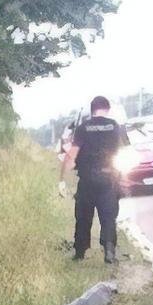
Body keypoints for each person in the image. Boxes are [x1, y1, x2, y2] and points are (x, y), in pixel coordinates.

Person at [58, 96, 128, 264]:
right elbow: (125, 154)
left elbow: (71, 155)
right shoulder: (115, 127)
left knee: (83, 216)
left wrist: (61, 180)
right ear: (107, 109)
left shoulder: (83, 128)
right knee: (108, 216)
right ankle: (109, 251)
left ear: (92, 110)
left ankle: (80, 253)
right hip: (109, 179)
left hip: (87, 179)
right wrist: (124, 178)